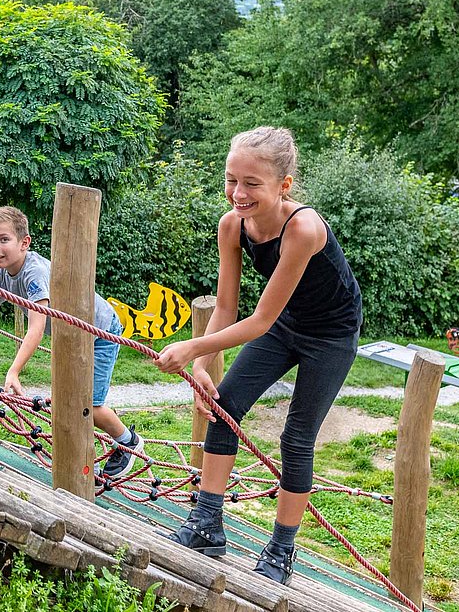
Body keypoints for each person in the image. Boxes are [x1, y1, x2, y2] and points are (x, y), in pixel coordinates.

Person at [153, 126, 362, 584]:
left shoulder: (303, 228)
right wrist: (203, 369)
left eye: (252, 183)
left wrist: (190, 349)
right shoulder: (232, 225)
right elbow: (227, 307)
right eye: (231, 179)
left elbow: (259, 320)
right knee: (223, 407)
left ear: (284, 186)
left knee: (296, 436)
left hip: (330, 335)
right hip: (286, 324)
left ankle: (282, 550)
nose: (237, 193)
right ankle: (206, 524)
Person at [0, 206, 145, 479]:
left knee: (88, 402)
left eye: (4, 239)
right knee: (67, 399)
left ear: (24, 242)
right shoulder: (2, 276)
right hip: (70, 336)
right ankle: (85, 457)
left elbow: (36, 328)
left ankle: (128, 442)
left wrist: (14, 370)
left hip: (99, 333)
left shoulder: (34, 273)